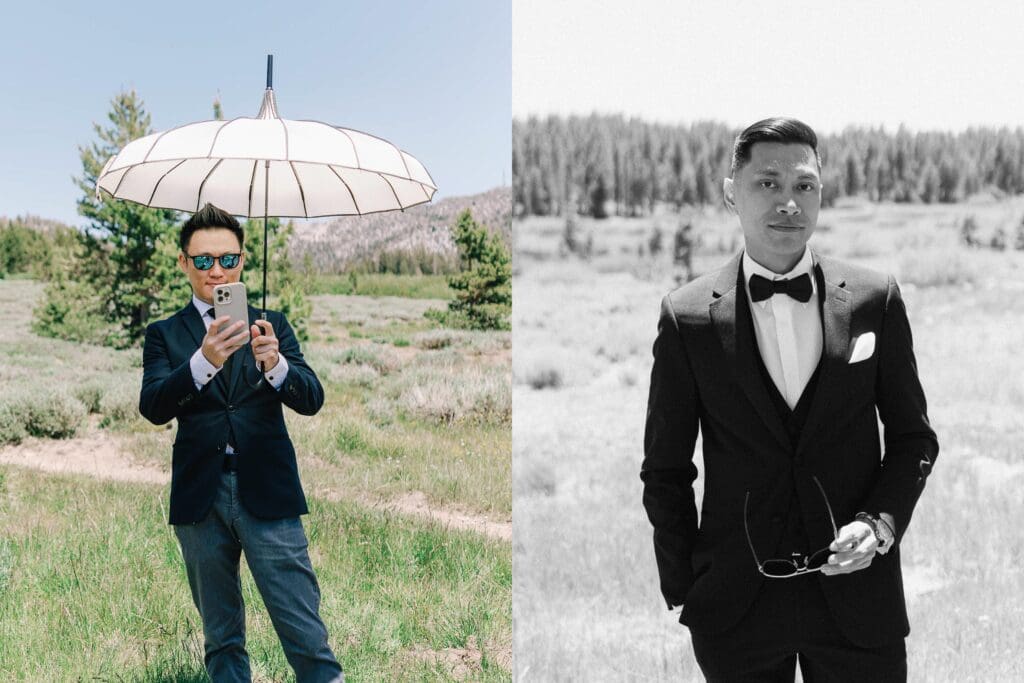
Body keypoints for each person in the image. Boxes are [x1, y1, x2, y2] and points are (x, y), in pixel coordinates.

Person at [641, 118, 938, 682]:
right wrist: (685, 588)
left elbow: (913, 439)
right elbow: (666, 468)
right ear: (732, 192)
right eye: (767, 184)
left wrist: (878, 526)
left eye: (804, 186)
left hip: (859, 601)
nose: (788, 203)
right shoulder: (686, 317)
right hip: (735, 609)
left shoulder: (876, 299)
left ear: (822, 193)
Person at [139, 203, 343, 682]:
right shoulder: (165, 334)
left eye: (228, 259)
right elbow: (153, 407)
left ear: (243, 262)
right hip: (199, 500)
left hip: (268, 494)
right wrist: (201, 362)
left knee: (305, 632)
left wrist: (276, 366)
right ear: (183, 263)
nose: (217, 270)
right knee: (222, 639)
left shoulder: (271, 324)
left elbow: (311, 399)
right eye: (204, 259)